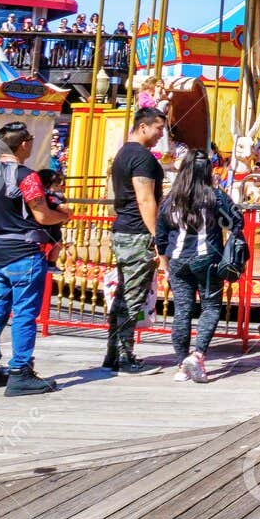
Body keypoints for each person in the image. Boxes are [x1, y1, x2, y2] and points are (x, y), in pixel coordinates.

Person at [0, 122, 72, 396]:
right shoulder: (27, 177)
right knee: (25, 314)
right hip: (24, 251)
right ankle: (20, 371)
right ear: (24, 144)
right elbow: (41, 214)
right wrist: (64, 215)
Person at [156, 151, 239, 383]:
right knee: (211, 307)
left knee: (183, 310)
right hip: (207, 259)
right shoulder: (215, 197)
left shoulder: (171, 199)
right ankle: (198, 354)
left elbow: (161, 236)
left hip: (178, 259)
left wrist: (165, 263)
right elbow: (236, 222)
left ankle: (182, 363)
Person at [104, 106, 168, 374]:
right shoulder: (141, 158)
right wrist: (157, 237)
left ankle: (113, 354)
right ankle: (125, 356)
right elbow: (145, 198)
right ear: (144, 127)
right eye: (157, 129)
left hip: (123, 228)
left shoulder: (121, 154)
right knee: (132, 296)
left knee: (122, 295)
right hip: (137, 232)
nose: (159, 136)